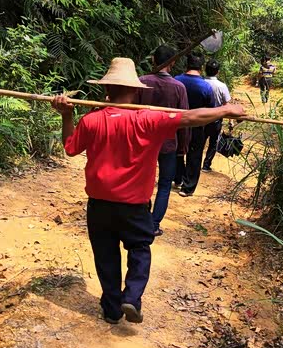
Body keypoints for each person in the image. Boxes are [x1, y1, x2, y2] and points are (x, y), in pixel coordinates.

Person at [51, 57, 244, 325]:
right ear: (137, 90)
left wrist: (67, 115)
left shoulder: (91, 120)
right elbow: (191, 117)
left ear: (106, 90)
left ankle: (111, 309)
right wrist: (224, 110)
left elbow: (70, 148)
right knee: (140, 247)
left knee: (105, 255)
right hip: (134, 204)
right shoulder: (149, 120)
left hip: (99, 204)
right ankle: (131, 296)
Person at [137, 44, 190, 237]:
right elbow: (183, 120)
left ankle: (140, 220)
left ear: (153, 60)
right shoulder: (178, 88)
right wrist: (182, 146)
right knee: (165, 184)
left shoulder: (142, 82)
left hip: (143, 141)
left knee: (141, 180)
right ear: (173, 62)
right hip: (168, 143)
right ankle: (153, 223)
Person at [174, 53, 213, 197]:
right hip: (197, 124)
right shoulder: (205, 86)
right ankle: (187, 187)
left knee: (177, 151)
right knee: (194, 155)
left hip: (178, 122)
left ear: (187, 64)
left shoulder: (176, 81)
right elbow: (211, 108)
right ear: (201, 67)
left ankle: (177, 178)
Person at [202, 59, 231, 172]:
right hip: (216, 119)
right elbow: (226, 104)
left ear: (205, 69)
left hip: (201, 118)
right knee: (213, 142)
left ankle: (195, 162)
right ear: (218, 72)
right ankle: (206, 165)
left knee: (200, 141)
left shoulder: (201, 83)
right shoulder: (222, 86)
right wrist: (230, 121)